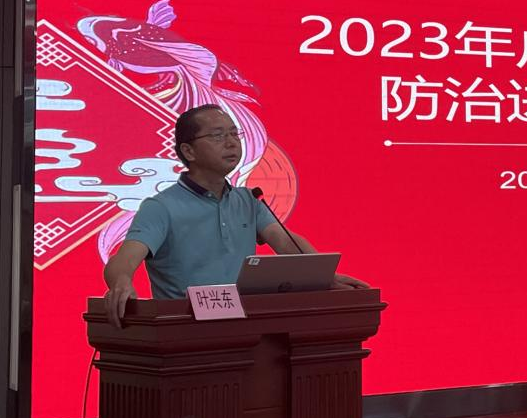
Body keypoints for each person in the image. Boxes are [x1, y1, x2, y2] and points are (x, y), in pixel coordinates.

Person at [103, 104, 366, 327]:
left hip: (242, 327)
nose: (231, 143)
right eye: (217, 136)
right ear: (188, 151)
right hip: (183, 330)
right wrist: (121, 281)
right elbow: (124, 259)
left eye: (234, 134)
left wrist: (323, 276)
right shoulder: (162, 206)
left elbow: (286, 243)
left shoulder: (248, 200)